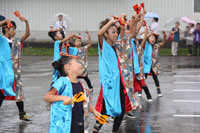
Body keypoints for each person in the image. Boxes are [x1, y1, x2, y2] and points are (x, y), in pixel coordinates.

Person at [93, 16, 139, 132]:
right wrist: (111, 22)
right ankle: (96, 130)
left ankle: (114, 130)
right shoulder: (103, 46)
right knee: (105, 110)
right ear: (106, 34)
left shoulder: (118, 46)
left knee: (122, 109)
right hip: (109, 83)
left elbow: (131, 35)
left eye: (116, 32)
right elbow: (99, 34)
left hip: (119, 82)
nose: (115, 34)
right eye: (112, 32)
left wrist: (135, 20)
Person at [44, 56, 101, 133]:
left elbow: (85, 102)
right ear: (67, 67)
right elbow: (47, 97)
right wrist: (63, 98)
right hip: (66, 126)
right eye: (77, 62)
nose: (80, 64)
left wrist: (94, 111)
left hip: (80, 125)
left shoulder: (81, 84)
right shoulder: (62, 81)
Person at [0, 15, 31, 121]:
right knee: (1, 92)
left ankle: (22, 113)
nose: (14, 32)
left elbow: (27, 34)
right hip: (4, 73)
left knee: (19, 92)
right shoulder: (1, 40)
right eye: (13, 29)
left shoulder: (16, 42)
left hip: (15, 72)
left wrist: (26, 21)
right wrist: (4, 21)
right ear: (6, 28)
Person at [144, 31, 167, 97]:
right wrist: (146, 34)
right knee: (144, 78)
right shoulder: (146, 45)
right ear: (148, 39)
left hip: (154, 65)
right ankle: (140, 90)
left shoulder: (156, 45)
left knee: (155, 77)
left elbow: (163, 43)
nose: (152, 39)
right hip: (147, 64)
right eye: (150, 37)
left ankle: (158, 90)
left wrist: (165, 37)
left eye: (153, 37)